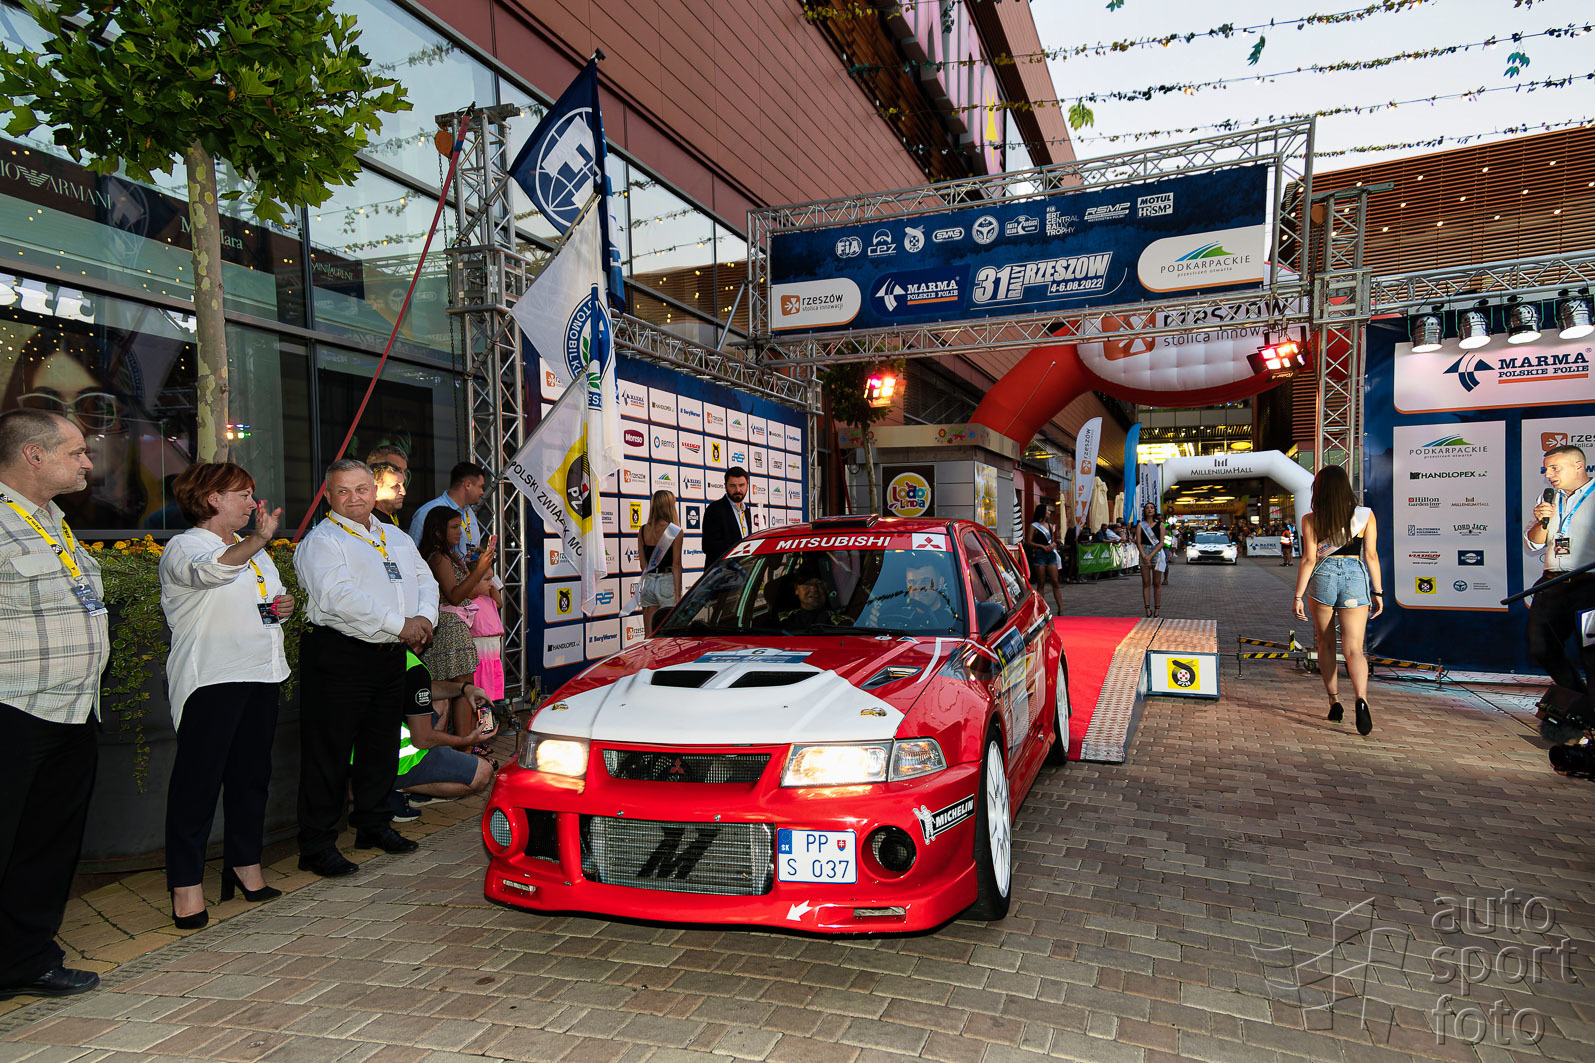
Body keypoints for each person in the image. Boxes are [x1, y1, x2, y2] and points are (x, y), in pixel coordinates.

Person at [157, 463, 293, 929]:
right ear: (212, 498)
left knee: (251, 777)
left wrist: (283, 606)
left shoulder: (251, 549)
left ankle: (244, 864)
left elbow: (268, 601)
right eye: (243, 494)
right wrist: (258, 540)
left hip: (261, 674)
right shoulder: (186, 546)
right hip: (212, 679)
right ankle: (185, 885)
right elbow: (211, 573)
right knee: (197, 785)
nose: (253, 503)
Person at [0, 409, 105, 1001]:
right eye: (76, 451)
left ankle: (24, 961)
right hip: (12, 713)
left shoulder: (51, 521)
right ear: (34, 455)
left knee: (46, 848)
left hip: (72, 710)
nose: (87, 462)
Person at [293, 459, 438, 876]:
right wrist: (401, 624)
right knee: (329, 753)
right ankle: (316, 845)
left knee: (381, 746)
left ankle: (373, 825)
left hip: (389, 655)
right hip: (339, 655)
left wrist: (424, 619)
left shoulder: (394, 536)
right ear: (328, 496)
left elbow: (426, 581)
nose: (353, 498)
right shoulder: (322, 542)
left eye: (361, 489)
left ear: (374, 493)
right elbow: (338, 598)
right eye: (343, 491)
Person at [1293, 465, 1383, 737]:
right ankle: (1361, 698)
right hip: (1355, 577)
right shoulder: (1365, 515)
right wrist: (1378, 592)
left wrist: (1298, 595)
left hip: (1324, 577)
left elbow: (1309, 559)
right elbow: (1371, 555)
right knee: (1354, 648)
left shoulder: (1311, 519)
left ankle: (1334, 702)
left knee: (1326, 643)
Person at [1525, 444, 1595, 702]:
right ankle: (1579, 701)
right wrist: (1542, 521)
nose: (1549, 475)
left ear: (1579, 466)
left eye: (1555, 468)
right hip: (1552, 582)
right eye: (1546, 469)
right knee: (1540, 646)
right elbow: (1533, 543)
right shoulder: (1547, 498)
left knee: (1592, 654)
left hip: (1589, 583)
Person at [417, 509, 490, 744]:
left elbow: (470, 591)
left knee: (462, 688)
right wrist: (479, 570)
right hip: (448, 629)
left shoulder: (450, 556)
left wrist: (477, 569)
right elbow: (455, 596)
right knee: (460, 688)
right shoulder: (438, 557)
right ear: (438, 531)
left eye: (460, 526)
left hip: (457, 627)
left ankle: (464, 745)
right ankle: (463, 746)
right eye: (454, 527)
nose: (460, 532)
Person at [393, 652, 497, 803]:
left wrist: (465, 688)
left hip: (375, 747)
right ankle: (395, 786)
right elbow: (422, 740)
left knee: (440, 701)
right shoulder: (413, 666)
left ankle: (438, 762)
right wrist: (466, 740)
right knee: (484, 772)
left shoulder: (394, 654)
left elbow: (426, 687)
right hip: (397, 761)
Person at [409, 461, 488, 558]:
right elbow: (412, 553)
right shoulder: (428, 511)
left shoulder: (469, 511)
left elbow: (470, 547)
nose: (482, 492)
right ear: (467, 485)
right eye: (480, 486)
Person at [636, 490, 684, 633]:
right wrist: (678, 595)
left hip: (649, 583)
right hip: (667, 583)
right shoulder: (675, 531)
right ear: (669, 506)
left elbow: (643, 565)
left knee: (649, 635)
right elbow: (676, 565)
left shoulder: (643, 530)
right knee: (669, 635)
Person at [865, 560, 958, 631]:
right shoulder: (893, 612)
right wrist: (874, 626)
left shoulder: (954, 622)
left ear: (940, 583)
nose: (918, 588)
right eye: (912, 582)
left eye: (925, 581)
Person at [703, 466, 753, 567]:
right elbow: (708, 546)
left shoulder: (746, 510)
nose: (737, 490)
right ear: (725, 486)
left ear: (747, 485)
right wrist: (740, 547)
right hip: (722, 572)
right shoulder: (714, 509)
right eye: (732, 486)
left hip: (744, 570)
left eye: (741, 485)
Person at [1026, 502, 1064, 614]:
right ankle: (1041, 610)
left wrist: (1053, 544)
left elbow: (1053, 540)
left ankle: (1061, 609)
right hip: (1040, 554)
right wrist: (1042, 546)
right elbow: (1028, 541)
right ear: (1042, 512)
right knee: (1041, 582)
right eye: (1048, 510)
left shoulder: (1050, 526)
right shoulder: (1033, 526)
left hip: (1051, 554)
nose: (1049, 512)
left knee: (1055, 581)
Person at [779, 574, 852, 630]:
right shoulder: (782, 619)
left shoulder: (842, 623)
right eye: (807, 583)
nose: (814, 588)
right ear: (796, 589)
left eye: (819, 584)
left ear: (827, 589)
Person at [1135, 502, 1167, 618]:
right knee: (1146, 582)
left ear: (1154, 510)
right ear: (1144, 511)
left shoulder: (1161, 525)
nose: (1149, 510)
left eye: (1152, 508)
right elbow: (1138, 542)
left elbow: (1162, 542)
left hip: (1156, 552)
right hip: (1144, 551)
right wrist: (1144, 555)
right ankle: (1147, 608)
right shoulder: (1141, 525)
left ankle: (1157, 608)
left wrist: (1150, 555)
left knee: (1157, 583)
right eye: (1147, 508)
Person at [371, 461, 408, 526]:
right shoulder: (370, 523)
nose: (403, 492)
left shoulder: (392, 517)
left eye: (403, 485)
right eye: (395, 486)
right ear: (375, 489)